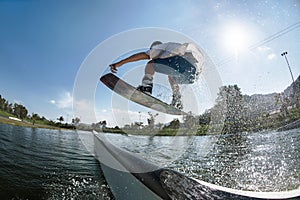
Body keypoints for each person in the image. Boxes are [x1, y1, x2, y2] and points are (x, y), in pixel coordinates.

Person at [109, 41, 204, 110]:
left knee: (151, 64)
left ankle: (146, 88)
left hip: (185, 63)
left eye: (150, 50)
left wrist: (120, 63)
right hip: (192, 75)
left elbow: (144, 55)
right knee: (171, 77)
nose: (150, 52)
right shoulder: (172, 50)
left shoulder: (159, 47)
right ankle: (177, 99)